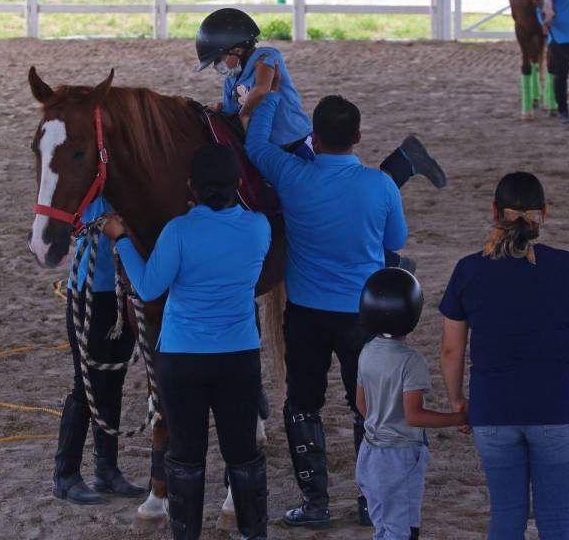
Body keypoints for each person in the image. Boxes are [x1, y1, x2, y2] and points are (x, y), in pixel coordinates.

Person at [244, 86, 409, 528]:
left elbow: (255, 145)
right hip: (363, 315)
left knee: (302, 403)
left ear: (312, 138)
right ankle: (368, 501)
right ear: (358, 136)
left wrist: (272, 95)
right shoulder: (381, 184)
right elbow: (396, 242)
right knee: (368, 408)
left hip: (306, 314)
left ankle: (315, 503)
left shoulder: (293, 175)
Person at [102, 143, 271, 540]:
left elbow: (146, 288)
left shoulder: (178, 232)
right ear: (236, 186)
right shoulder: (258, 228)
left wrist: (122, 238)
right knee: (244, 455)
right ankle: (252, 532)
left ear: (191, 187)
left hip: (182, 358)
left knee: (185, 458)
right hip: (238, 355)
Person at [439, 172, 569, 540]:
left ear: (494, 212)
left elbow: (451, 349)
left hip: (494, 408)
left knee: (504, 518)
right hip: (560, 407)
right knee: (556, 520)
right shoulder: (567, 265)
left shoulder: (468, 269)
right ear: (544, 213)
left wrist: (457, 401)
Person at [194, 7, 447, 189]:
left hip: (294, 144)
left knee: (336, 192)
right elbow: (232, 111)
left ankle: (403, 162)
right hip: (272, 148)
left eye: (217, 59)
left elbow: (262, 88)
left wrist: (244, 114)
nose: (217, 66)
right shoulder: (231, 80)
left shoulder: (267, 57)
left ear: (237, 49)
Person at [355, 268, 466, 540]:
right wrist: (458, 419)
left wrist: (381, 420)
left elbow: (362, 404)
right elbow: (413, 416)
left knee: (385, 526)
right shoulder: (411, 361)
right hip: (400, 457)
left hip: (369, 454)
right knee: (402, 531)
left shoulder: (367, 351)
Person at [52, 196, 146, 505]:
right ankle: (65, 475)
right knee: (87, 384)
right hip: (89, 290)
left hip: (123, 290)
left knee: (114, 379)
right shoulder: (87, 182)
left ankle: (107, 469)